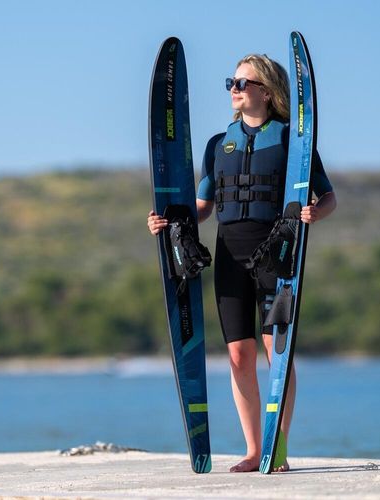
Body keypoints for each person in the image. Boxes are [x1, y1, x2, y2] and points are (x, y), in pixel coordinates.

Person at [148, 54, 337, 472]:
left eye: (242, 83)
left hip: (275, 255)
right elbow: (202, 207)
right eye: (230, 82)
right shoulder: (219, 144)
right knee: (238, 355)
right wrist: (168, 222)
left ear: (265, 92)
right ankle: (254, 450)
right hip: (229, 255)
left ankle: (278, 444)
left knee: (276, 351)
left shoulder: (291, 140)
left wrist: (314, 214)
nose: (233, 89)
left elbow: (328, 196)